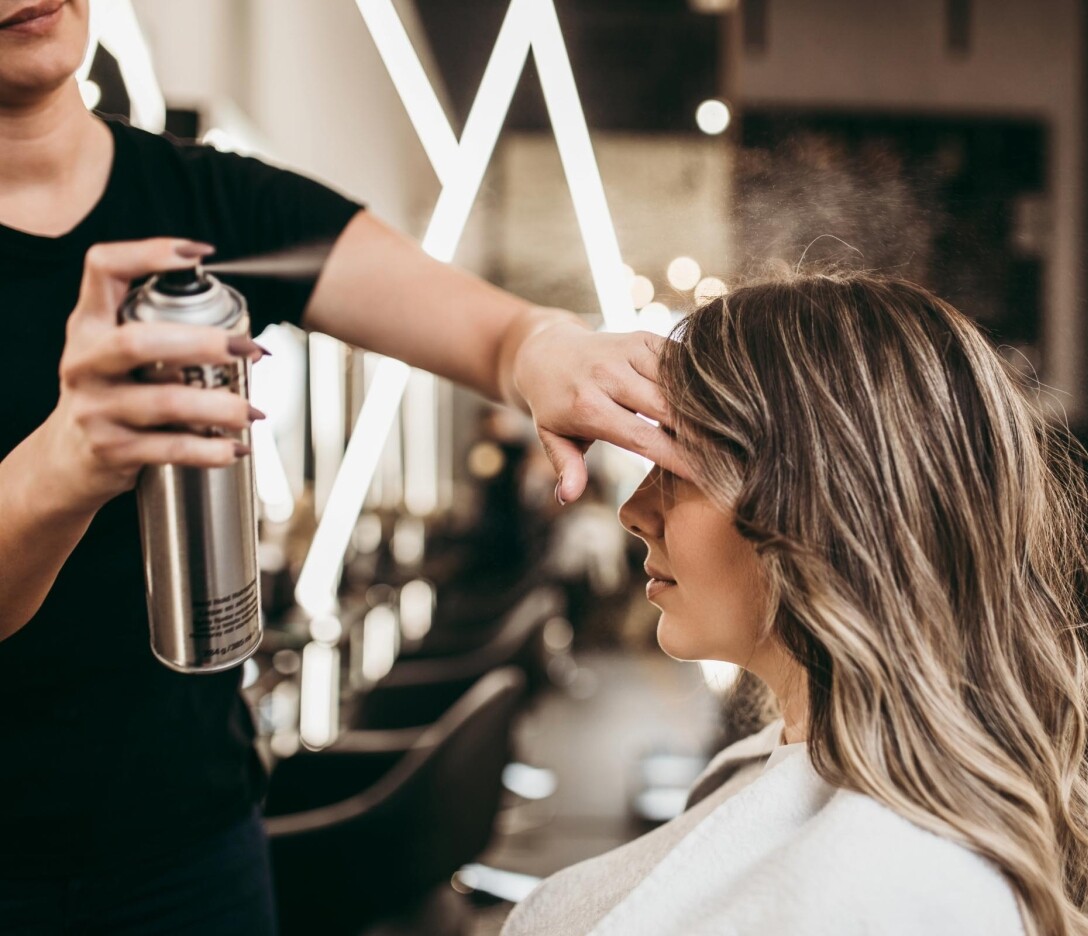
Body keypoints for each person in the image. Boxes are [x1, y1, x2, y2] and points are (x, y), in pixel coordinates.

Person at [0, 0, 680, 932]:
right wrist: (63, 465)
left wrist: (543, 349)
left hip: (189, 848)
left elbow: (497, 333)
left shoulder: (217, 208)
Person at [503, 274, 1088, 936]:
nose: (635, 512)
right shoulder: (833, 815)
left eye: (677, 465)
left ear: (826, 509)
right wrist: (532, 346)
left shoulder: (878, 896)